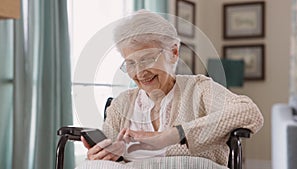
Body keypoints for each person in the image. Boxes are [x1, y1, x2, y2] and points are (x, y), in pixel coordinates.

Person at [81, 9, 264, 167]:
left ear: (173, 53)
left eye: (146, 59)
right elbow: (108, 154)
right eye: (130, 63)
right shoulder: (122, 104)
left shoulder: (199, 90)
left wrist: (174, 135)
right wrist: (101, 155)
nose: (140, 72)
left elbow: (249, 112)